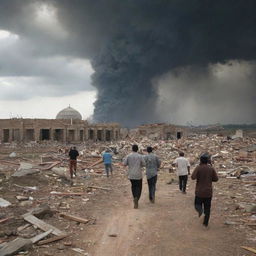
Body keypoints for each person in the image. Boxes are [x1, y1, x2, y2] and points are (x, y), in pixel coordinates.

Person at [191, 154, 218, 227]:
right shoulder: (211, 168)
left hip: (199, 191)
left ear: (200, 161)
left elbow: (193, 177)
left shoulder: (198, 168)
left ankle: (201, 212)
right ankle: (205, 223)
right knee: (207, 208)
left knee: (197, 205)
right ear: (208, 161)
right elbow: (216, 179)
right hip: (208, 192)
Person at [123, 144, 145, 209]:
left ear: (132, 149)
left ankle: (134, 197)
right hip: (138, 174)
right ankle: (137, 198)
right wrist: (139, 165)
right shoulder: (140, 156)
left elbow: (124, 164)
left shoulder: (128, 156)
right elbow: (144, 164)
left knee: (133, 186)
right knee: (139, 187)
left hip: (131, 175)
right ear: (137, 149)